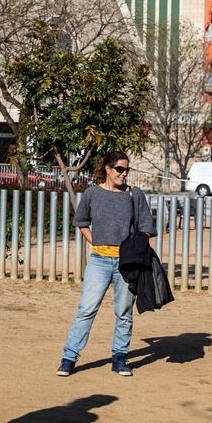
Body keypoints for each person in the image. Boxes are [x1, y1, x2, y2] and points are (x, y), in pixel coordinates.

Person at [57, 151, 155, 378]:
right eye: (120, 169)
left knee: (124, 312)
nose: (124, 173)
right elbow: (81, 222)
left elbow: (146, 227)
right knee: (86, 309)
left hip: (127, 263)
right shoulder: (92, 194)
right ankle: (69, 357)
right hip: (99, 261)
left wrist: (133, 248)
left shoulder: (135, 195)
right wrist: (96, 242)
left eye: (127, 169)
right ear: (108, 170)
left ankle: (120, 358)